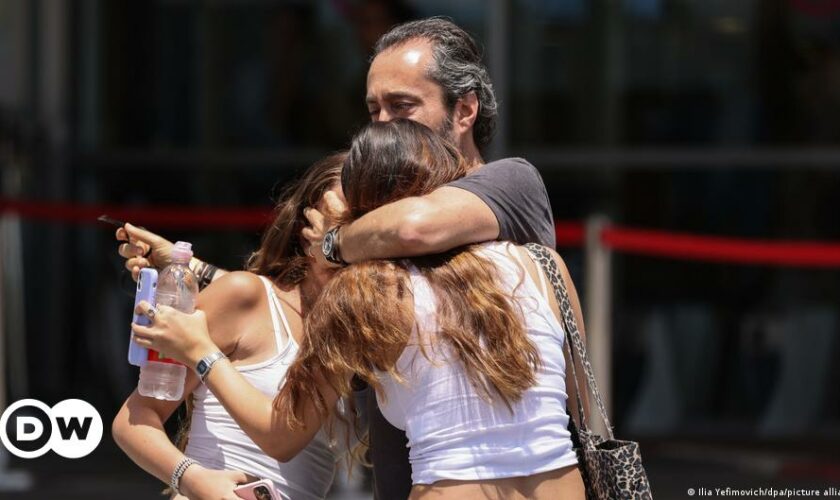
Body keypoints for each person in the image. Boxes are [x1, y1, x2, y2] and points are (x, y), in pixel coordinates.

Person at [117, 18, 561, 499]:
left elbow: (408, 235)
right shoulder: (367, 290)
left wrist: (334, 244)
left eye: (403, 106)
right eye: (374, 109)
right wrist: (199, 274)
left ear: (465, 110)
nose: (385, 125)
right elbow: (298, 305)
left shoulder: (509, 185)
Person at [112, 154, 347, 500]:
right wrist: (192, 479)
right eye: (346, 218)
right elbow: (133, 419)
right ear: (307, 225)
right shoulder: (245, 295)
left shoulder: (361, 329)